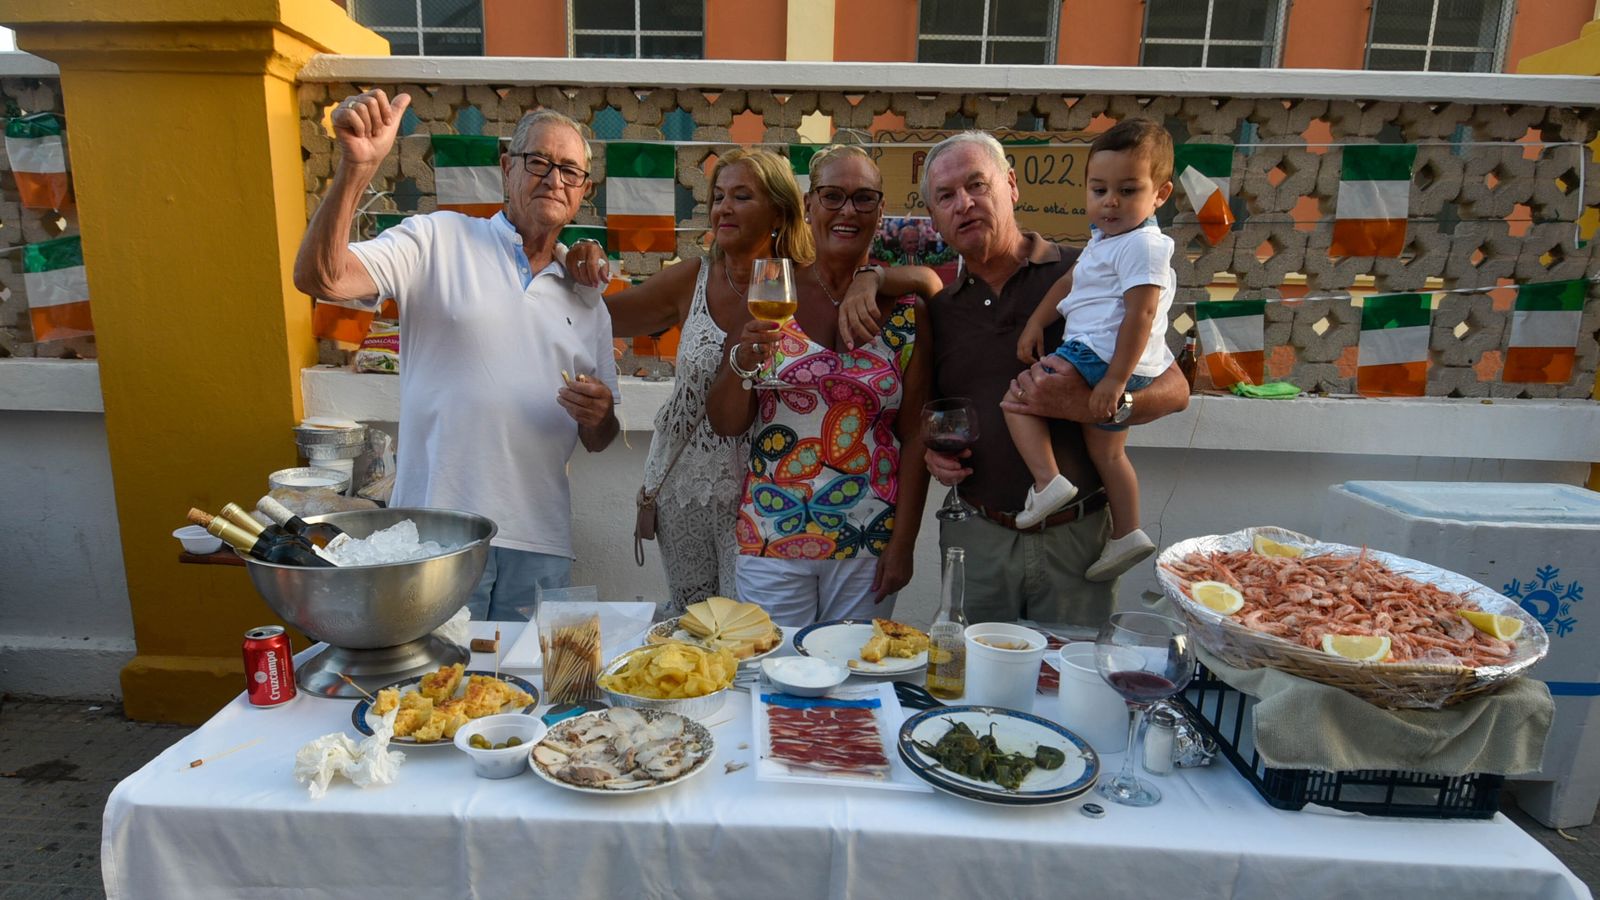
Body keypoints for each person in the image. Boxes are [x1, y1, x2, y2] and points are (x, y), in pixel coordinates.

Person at [838, 130, 1190, 630]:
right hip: (978, 538)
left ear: (1011, 186)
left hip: (1076, 537)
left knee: (1069, 693)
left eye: (977, 185)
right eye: (946, 196)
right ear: (934, 217)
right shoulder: (941, 310)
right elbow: (928, 414)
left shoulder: (1090, 269)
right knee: (976, 694)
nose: (964, 204)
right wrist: (938, 452)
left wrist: (1102, 404)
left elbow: (1176, 390)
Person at [293, 91, 619, 622]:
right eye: (538, 161)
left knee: (527, 690)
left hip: (540, 538)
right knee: (436, 689)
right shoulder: (438, 238)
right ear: (507, 166)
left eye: (570, 170)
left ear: (584, 191)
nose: (553, 179)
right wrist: (357, 169)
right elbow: (321, 278)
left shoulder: (587, 298)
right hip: (437, 532)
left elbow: (600, 439)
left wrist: (601, 414)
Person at [566, 149, 814, 617]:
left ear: (780, 212)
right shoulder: (692, 279)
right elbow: (595, 316)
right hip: (687, 492)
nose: (723, 207)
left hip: (768, 498)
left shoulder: (806, 285)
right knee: (694, 628)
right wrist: (576, 259)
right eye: (718, 197)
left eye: (742, 196)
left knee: (751, 633)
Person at [705, 145, 941, 626]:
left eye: (864, 199)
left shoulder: (906, 312)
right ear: (810, 206)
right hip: (773, 529)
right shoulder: (772, 292)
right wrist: (743, 363)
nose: (847, 211)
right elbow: (726, 422)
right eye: (832, 196)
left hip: (867, 536)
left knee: (856, 683)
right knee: (772, 680)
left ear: (880, 211)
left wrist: (903, 544)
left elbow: (916, 433)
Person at [1006, 118, 1176, 582]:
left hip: (1097, 354)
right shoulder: (1107, 240)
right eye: (1099, 190)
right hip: (1107, 359)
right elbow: (1068, 281)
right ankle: (1129, 533)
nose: (1110, 202)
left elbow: (1141, 316)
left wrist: (1115, 382)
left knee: (1017, 400)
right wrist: (1038, 322)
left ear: (1160, 194)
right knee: (1110, 455)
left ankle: (1048, 482)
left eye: (1128, 190)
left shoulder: (1144, 246)